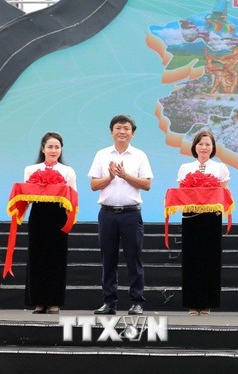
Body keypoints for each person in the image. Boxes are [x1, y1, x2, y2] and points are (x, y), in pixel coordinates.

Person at [89, 115, 153, 316]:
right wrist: (110, 176)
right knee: (108, 259)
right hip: (107, 214)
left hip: (130, 215)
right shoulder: (101, 155)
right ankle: (109, 303)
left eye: (126, 128)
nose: (122, 131)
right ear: (111, 131)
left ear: (132, 133)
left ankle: (137, 302)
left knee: (134, 259)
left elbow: (147, 184)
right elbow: (93, 185)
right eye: (118, 128)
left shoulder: (139, 155)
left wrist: (125, 176)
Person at [176, 130, 230, 316]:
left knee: (210, 260)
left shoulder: (220, 168)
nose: (204, 147)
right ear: (195, 147)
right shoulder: (185, 167)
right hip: (191, 218)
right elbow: (181, 193)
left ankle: (207, 303)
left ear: (213, 147)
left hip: (211, 218)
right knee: (191, 260)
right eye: (200, 144)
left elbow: (224, 194)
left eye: (207, 144)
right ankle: (192, 303)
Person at [24, 132, 77, 314]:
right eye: (50, 146)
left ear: (61, 149)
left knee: (57, 258)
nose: (53, 150)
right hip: (38, 214)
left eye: (57, 147)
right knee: (37, 257)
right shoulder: (31, 169)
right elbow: (27, 195)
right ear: (43, 148)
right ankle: (38, 302)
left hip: (58, 215)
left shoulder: (67, 171)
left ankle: (54, 302)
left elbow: (73, 196)